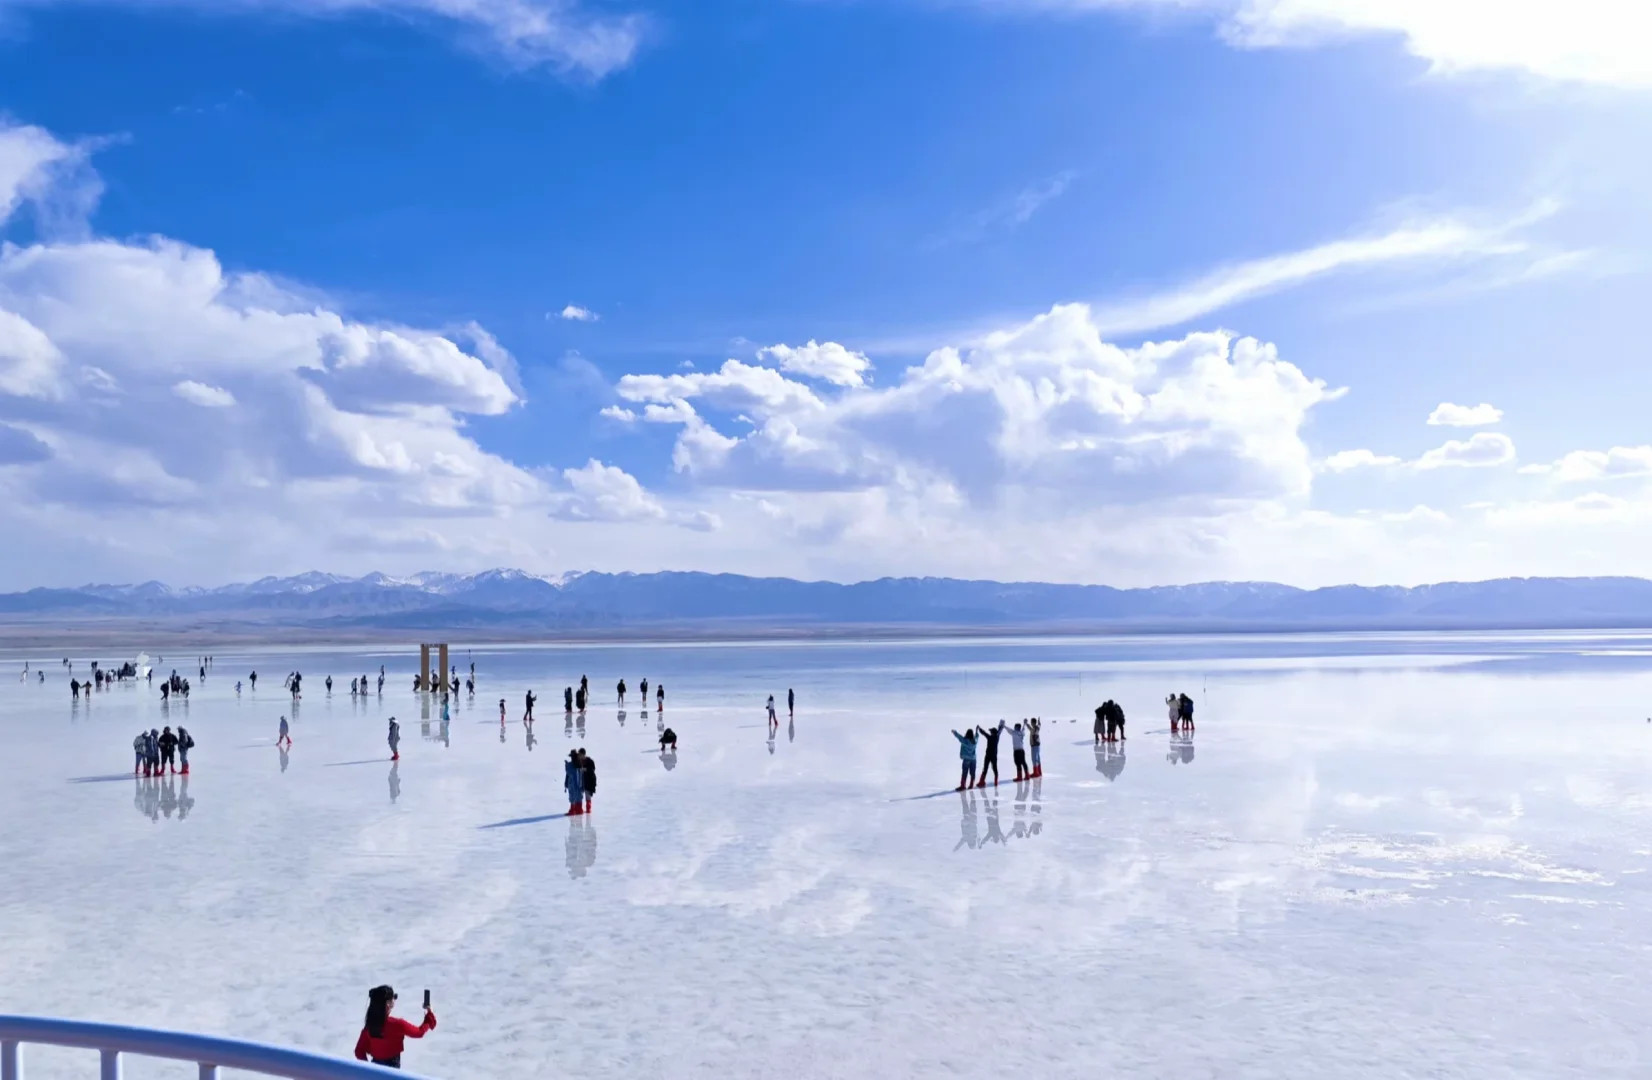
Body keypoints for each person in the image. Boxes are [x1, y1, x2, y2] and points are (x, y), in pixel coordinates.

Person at [354, 985, 435, 1069]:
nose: (395, 999)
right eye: (394, 997)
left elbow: (359, 1051)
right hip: (393, 1072)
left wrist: (369, 1069)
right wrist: (429, 1015)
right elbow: (419, 1032)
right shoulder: (397, 1024)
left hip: (375, 1071)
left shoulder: (369, 1026)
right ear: (388, 1004)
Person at [975, 720, 1005, 786]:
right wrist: (1001, 726)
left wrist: (979, 728)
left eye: (991, 731)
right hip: (993, 755)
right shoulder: (996, 737)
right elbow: (999, 732)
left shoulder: (990, 737)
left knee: (985, 768)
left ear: (992, 733)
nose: (990, 732)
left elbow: (984, 733)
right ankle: (995, 781)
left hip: (988, 755)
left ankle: (982, 781)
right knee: (994, 768)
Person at [564, 750, 584, 816]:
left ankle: (572, 810)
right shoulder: (580, 763)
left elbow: (568, 773)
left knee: (572, 796)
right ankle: (579, 810)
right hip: (580, 783)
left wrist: (566, 765)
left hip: (572, 782)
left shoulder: (570, 765)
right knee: (579, 796)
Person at [580, 748, 597, 814]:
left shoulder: (590, 761)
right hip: (583, 781)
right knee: (580, 795)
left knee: (588, 795)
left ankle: (588, 809)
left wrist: (585, 769)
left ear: (584, 754)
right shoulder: (580, 762)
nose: (580, 756)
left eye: (581, 755)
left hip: (589, 781)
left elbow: (592, 770)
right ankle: (580, 808)